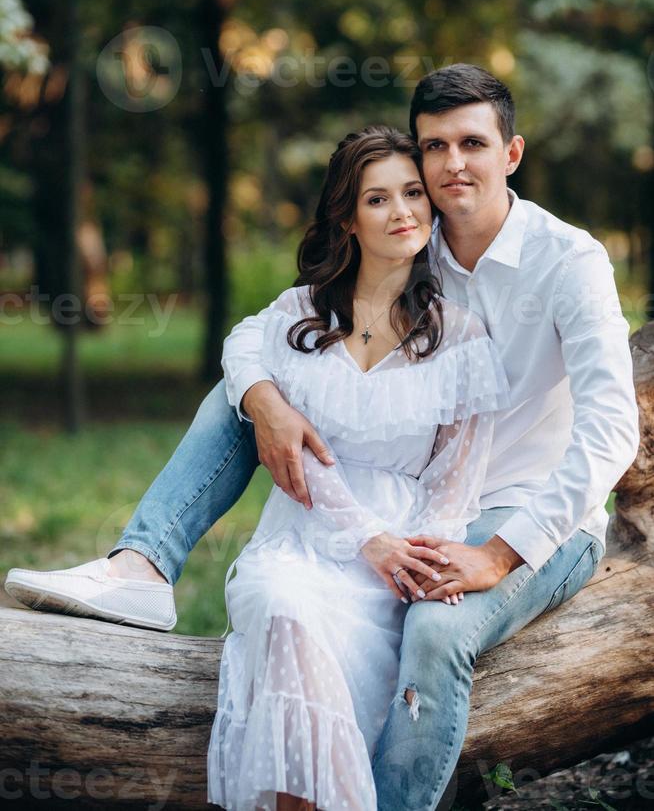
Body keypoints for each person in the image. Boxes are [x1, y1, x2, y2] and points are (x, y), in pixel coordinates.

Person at [5, 64, 640, 811]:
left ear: (512, 154)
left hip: (531, 513)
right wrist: (266, 398)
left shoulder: (571, 261)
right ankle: (144, 564)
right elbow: (259, 332)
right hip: (420, 498)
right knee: (244, 392)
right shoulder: (419, 236)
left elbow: (610, 429)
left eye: (472, 143)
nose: (451, 164)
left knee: (435, 632)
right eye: (435, 146)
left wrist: (499, 553)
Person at [206, 125, 509, 811]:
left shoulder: (460, 334)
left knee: (350, 667)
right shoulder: (299, 315)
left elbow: (457, 476)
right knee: (286, 611)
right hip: (302, 539)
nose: (403, 211)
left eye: (412, 194)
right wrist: (362, 537)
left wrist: (419, 559)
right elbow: (286, 436)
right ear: (347, 216)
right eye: (378, 199)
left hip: (398, 558)